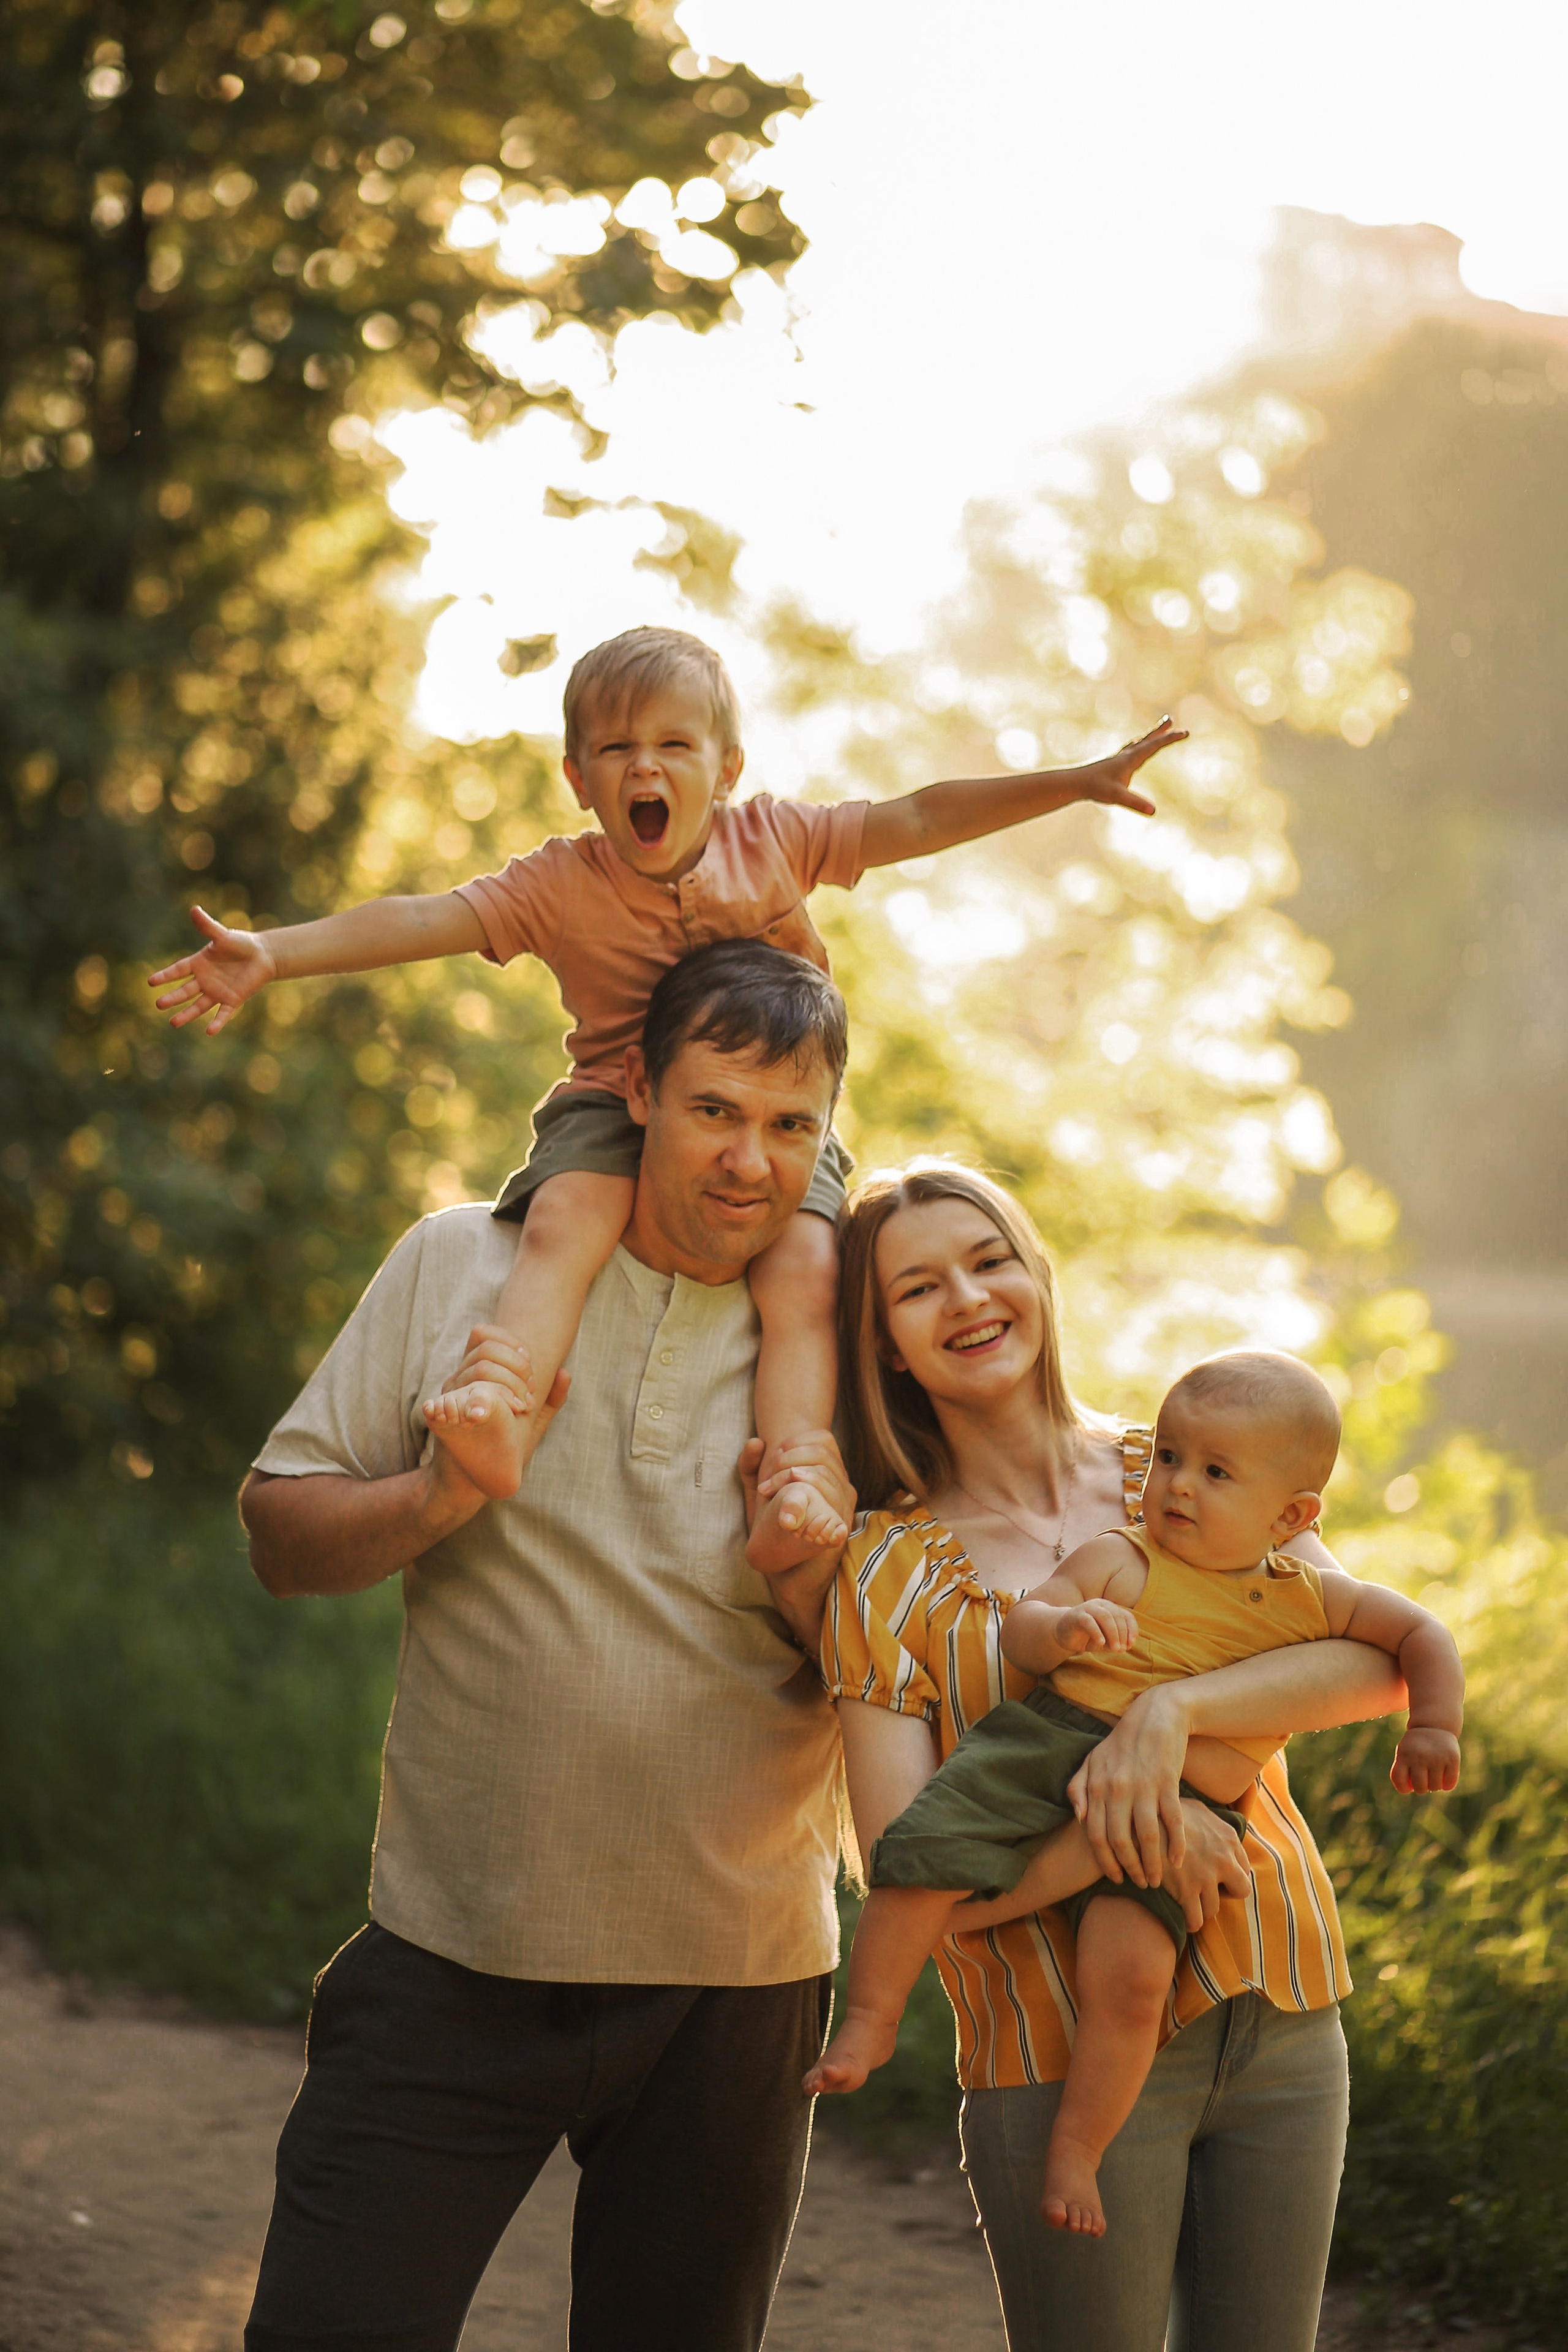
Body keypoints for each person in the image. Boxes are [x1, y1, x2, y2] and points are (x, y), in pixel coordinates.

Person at [148, 624, 1185, 1523]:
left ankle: (797, 1473)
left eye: (674, 745)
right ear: (580, 778)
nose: (646, 767)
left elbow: (916, 818)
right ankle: (502, 1406)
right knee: (566, 1227)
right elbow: (425, 919)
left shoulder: (775, 839)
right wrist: (276, 952)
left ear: (726, 767)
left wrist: (1074, 784)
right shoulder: (560, 883)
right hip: (613, 1095)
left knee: (807, 1274)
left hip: (766, 1106)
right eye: (617, 748)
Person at [236, 941, 858, 2352]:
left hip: (735, 1992)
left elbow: (906, 1667)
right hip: (453, 1951)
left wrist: (810, 1577)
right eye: (714, 1108)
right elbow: (279, 1535)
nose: (748, 1161)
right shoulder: (464, 1262)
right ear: (633, 1087)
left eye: (788, 1126)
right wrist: (434, 1496)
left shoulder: (846, 1348)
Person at [817, 1158, 1415, 2352]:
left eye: (988, 1261)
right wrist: (1113, 1837)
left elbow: (1371, 1663)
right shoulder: (883, 1570)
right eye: (918, 1288)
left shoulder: (1191, 1463)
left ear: (1034, 1276)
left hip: (1281, 2012)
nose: (969, 1298)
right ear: (882, 1343)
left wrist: (1170, 1719)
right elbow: (907, 1869)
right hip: (1051, 2055)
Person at [809, 1348, 1463, 2238]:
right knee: (929, 1854)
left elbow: (1415, 1636)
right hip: (1043, 1748)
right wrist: (1066, 1628)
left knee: (1128, 1982)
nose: (1179, 1486)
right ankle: (872, 2020)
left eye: (1215, 1472)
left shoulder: (1304, 1598)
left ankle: (1079, 2149)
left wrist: (1434, 1724)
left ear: (1292, 1516)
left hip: (1183, 1821)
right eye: (1169, 1458)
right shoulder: (1124, 1556)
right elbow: (1028, 1629)